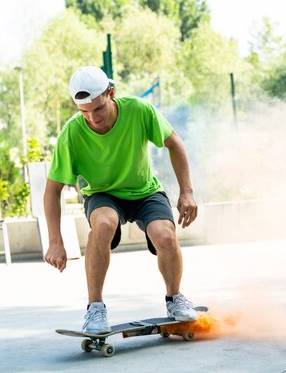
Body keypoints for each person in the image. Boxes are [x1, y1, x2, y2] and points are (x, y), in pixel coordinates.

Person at [43, 66, 199, 334]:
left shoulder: (139, 111)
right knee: (103, 224)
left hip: (145, 191)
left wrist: (186, 191)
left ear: (111, 94)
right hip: (102, 194)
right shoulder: (71, 133)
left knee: (165, 235)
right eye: (84, 112)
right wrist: (55, 241)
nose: (92, 118)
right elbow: (52, 189)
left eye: (98, 108)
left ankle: (175, 298)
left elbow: (175, 144)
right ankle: (95, 309)